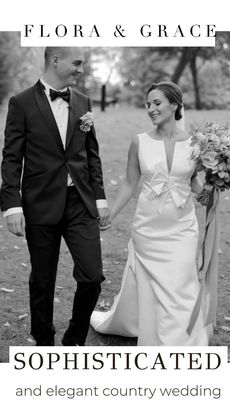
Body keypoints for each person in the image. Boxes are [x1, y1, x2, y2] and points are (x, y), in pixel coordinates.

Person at [0, 47, 110, 346]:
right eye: (77, 63)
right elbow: (11, 158)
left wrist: (100, 199)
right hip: (40, 203)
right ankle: (44, 340)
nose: (81, 70)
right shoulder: (21, 102)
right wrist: (11, 204)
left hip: (79, 203)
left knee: (92, 276)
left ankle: (74, 338)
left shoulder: (84, 101)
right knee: (43, 280)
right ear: (55, 60)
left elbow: (91, 155)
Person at [91, 81, 212, 346]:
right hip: (148, 227)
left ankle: (180, 343)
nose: (151, 109)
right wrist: (111, 212)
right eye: (148, 104)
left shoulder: (195, 144)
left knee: (181, 283)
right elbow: (129, 183)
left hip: (182, 227)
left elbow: (193, 184)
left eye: (157, 103)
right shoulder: (139, 142)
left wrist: (213, 187)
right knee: (152, 286)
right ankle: (154, 335)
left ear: (175, 104)